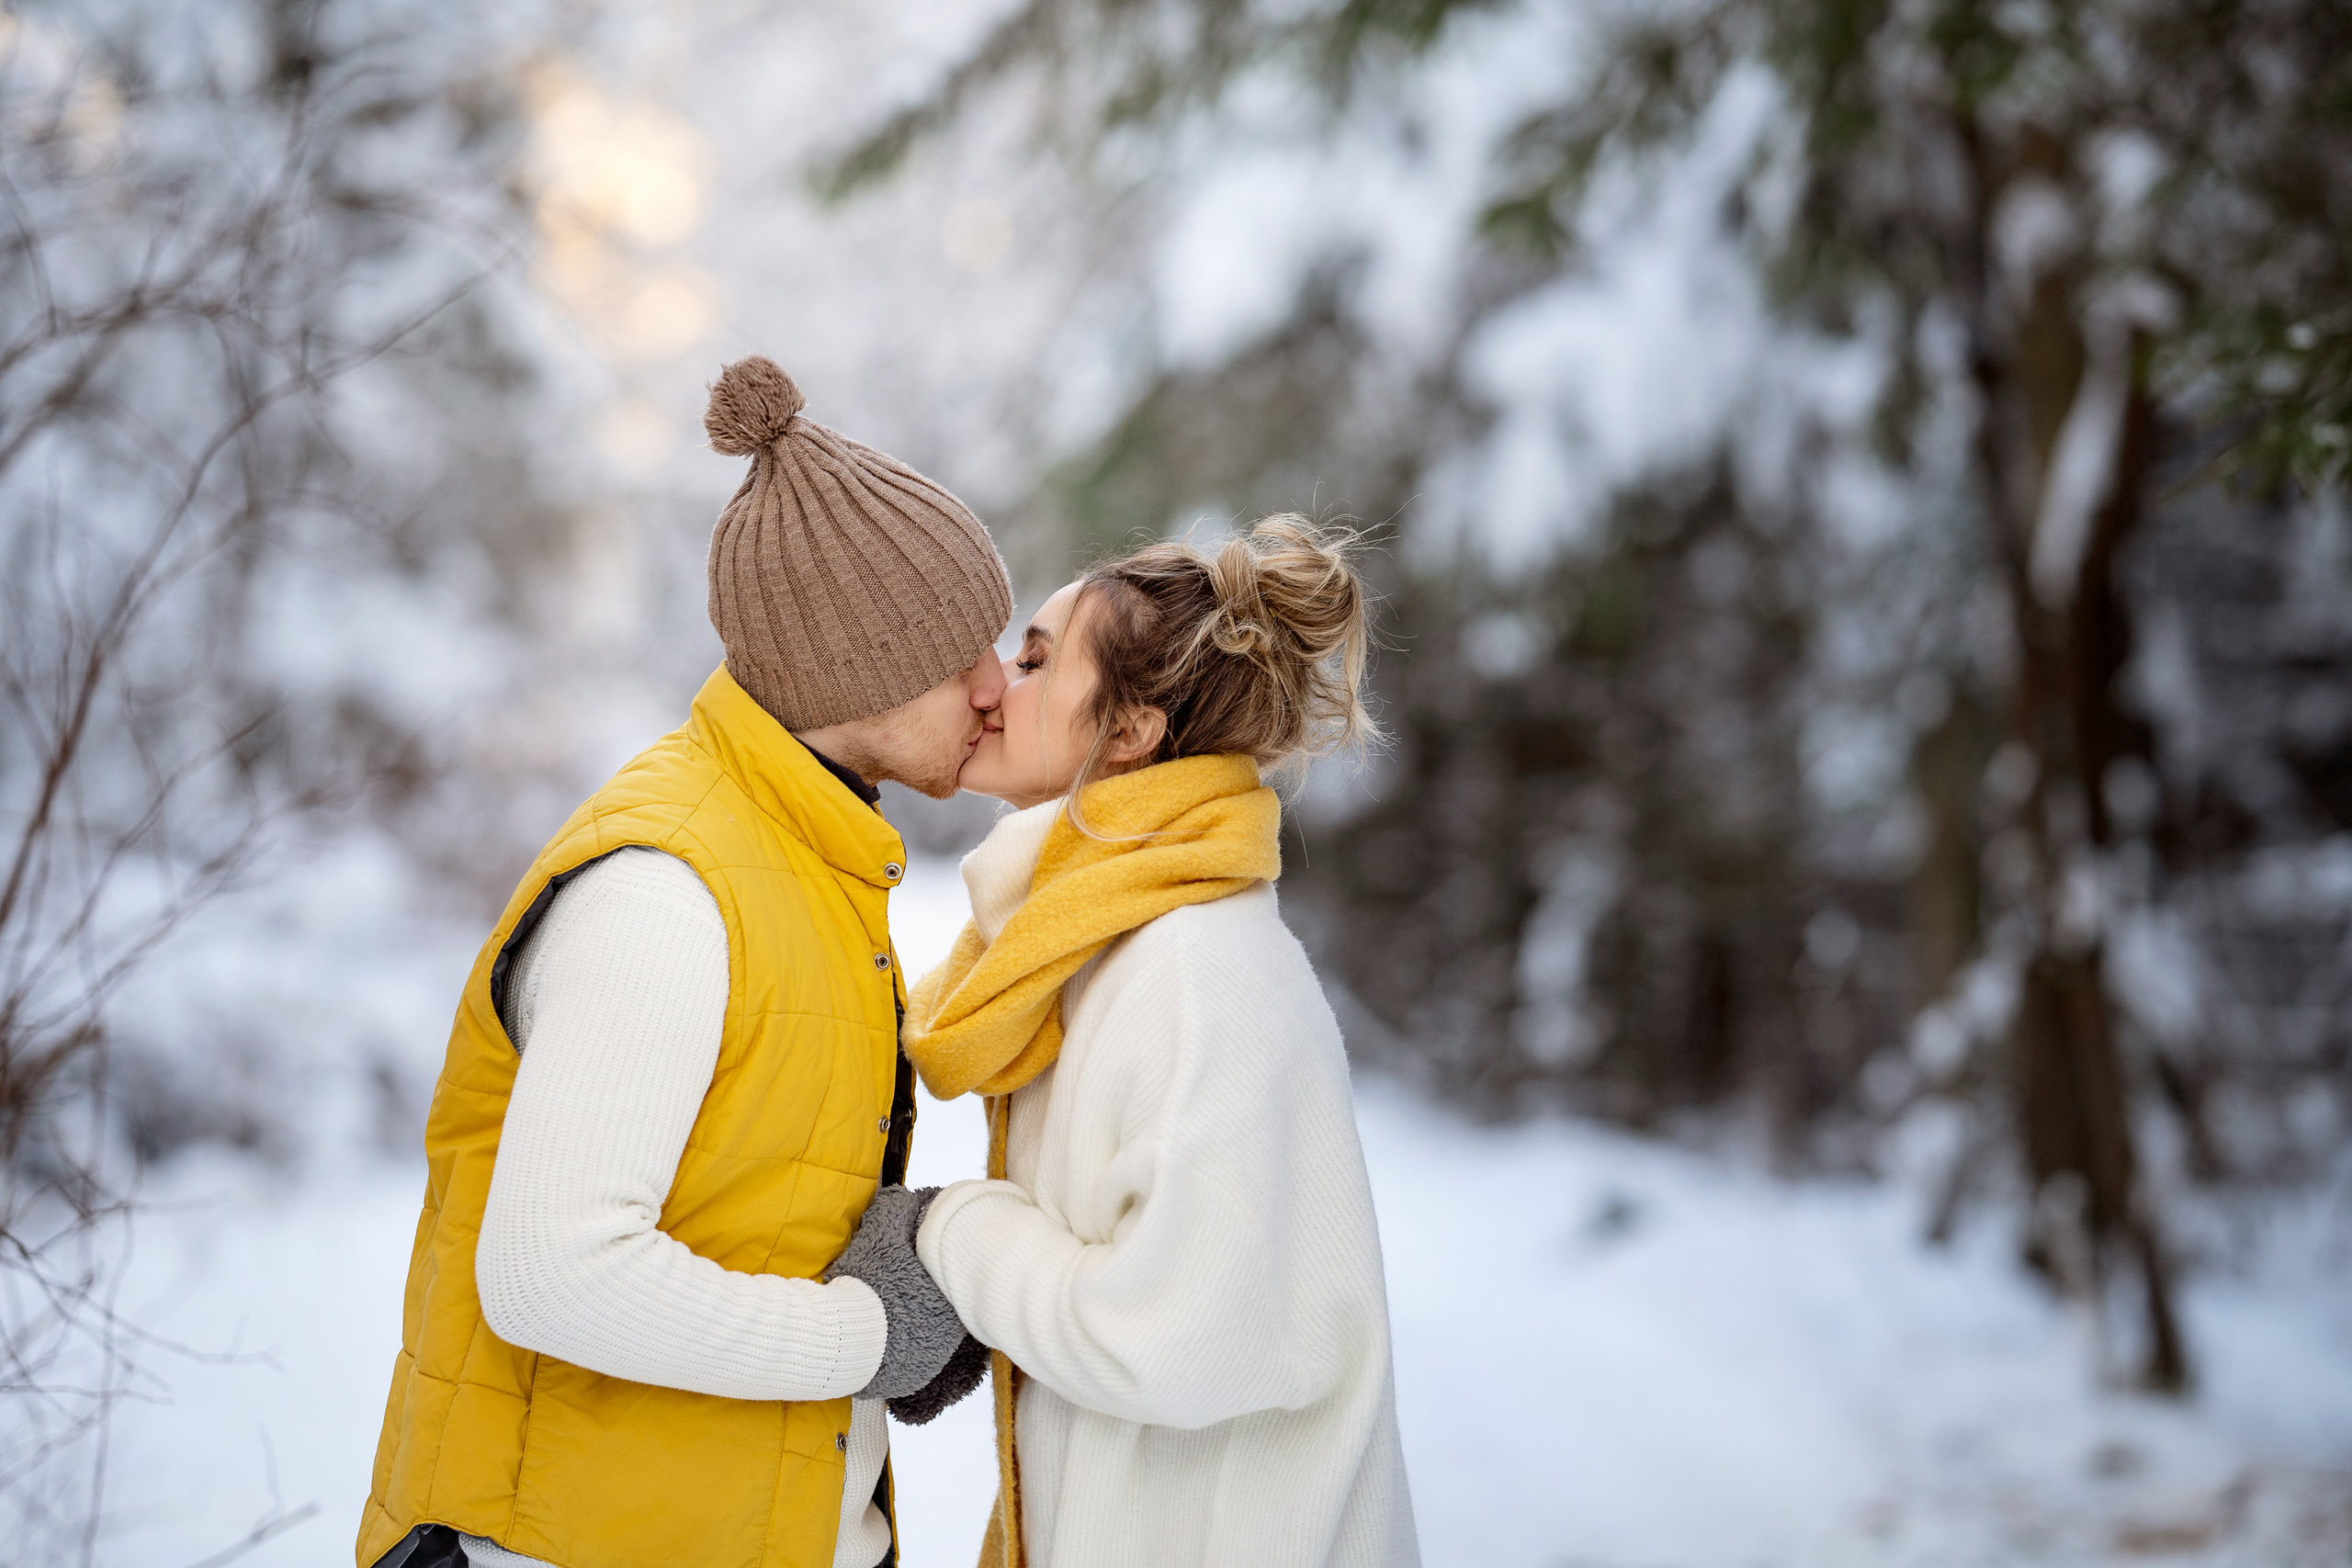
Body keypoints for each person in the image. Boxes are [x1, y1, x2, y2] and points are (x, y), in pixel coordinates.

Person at [357, 356, 1005, 1568]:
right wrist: (870, 1328)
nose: (993, 687)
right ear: (848, 669)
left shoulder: (804, 859)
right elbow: (556, 1274)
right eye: (955, 651)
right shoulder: (667, 889)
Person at [899, 515, 1420, 1568]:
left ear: (1129, 734)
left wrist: (949, 1233)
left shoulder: (1194, 978)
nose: (996, 684)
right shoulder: (1099, 947)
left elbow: (1173, 1336)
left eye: (1037, 661)